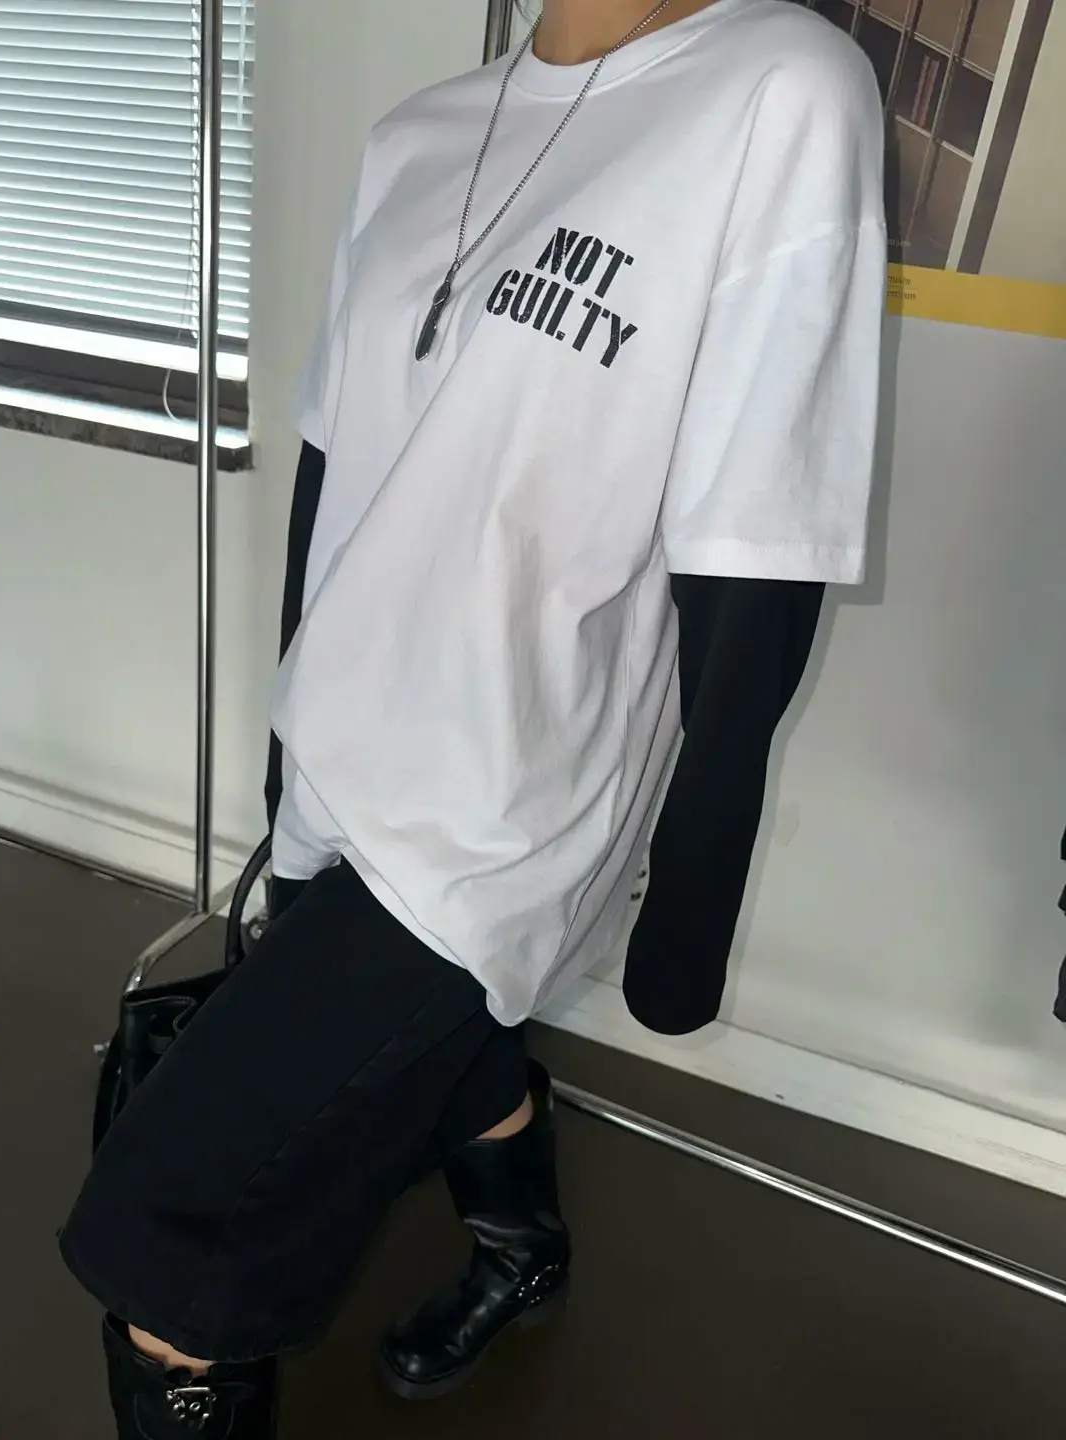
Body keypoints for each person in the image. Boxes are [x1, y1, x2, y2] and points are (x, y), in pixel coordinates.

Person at [60, 0, 886, 1434]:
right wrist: (287, 756)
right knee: (437, 1053)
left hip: (507, 800)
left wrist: (691, 898)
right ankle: (523, 1248)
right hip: (344, 754)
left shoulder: (779, 86)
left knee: (168, 1239)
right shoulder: (420, 133)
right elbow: (333, 470)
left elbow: (760, 538)